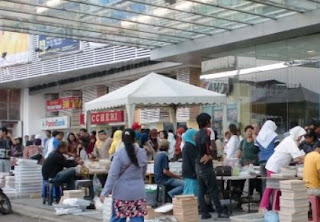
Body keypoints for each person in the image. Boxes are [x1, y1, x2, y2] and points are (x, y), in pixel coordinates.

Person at [100, 129, 148, 222]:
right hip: (138, 192)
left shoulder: (119, 154)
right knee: (137, 218)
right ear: (135, 139)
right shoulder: (142, 152)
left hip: (121, 193)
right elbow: (143, 172)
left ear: (122, 139)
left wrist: (105, 192)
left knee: (119, 218)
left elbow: (112, 175)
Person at [259, 126, 306, 211]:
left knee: (276, 188)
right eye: (300, 136)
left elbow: (296, 157)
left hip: (278, 167)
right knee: (270, 186)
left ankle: (276, 207)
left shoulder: (291, 141)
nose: (300, 138)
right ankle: (263, 206)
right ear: (296, 135)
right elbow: (299, 156)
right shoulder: (290, 141)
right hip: (273, 166)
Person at [195, 113, 228, 219]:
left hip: (198, 164)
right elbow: (213, 148)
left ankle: (204, 213)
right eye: (209, 120)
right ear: (206, 122)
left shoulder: (196, 134)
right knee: (213, 189)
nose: (210, 122)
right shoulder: (210, 131)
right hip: (207, 165)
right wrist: (210, 156)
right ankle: (220, 211)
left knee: (201, 189)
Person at [255, 120, 279, 191]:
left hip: (262, 161)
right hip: (271, 162)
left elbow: (255, 150)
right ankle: (272, 201)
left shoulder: (259, 137)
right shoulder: (274, 136)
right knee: (272, 183)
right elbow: (278, 148)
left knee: (264, 182)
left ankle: (264, 200)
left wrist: (263, 151)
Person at [182, 129, 198, 196]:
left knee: (188, 191)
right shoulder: (190, 146)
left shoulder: (187, 145)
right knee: (192, 193)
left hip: (187, 172)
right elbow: (194, 160)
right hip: (191, 173)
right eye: (195, 135)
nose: (196, 137)